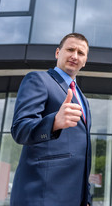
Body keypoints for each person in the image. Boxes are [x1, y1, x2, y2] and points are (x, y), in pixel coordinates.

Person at [10, 33, 92, 206]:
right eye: (70, 49)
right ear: (57, 53)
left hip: (74, 197)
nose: (74, 56)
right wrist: (54, 122)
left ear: (85, 61)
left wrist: (86, 196)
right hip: (42, 194)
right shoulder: (38, 80)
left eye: (81, 53)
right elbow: (20, 129)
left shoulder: (82, 98)